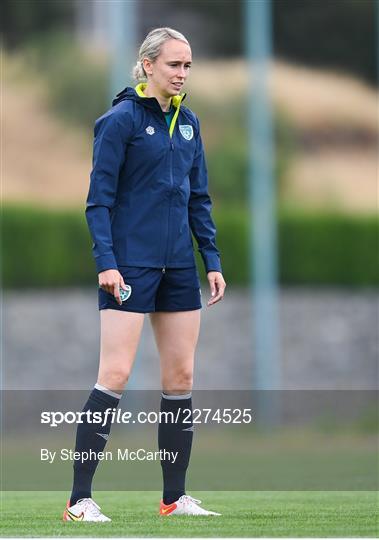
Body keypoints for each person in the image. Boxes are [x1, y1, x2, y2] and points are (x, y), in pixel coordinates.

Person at [63, 27, 226, 522]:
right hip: (129, 265)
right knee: (113, 375)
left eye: (188, 65)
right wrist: (106, 263)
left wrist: (211, 260)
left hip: (179, 265)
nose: (182, 73)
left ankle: (174, 499)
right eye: (175, 64)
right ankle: (79, 501)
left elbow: (198, 198)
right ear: (148, 65)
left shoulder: (190, 123)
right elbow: (99, 201)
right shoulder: (119, 121)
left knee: (181, 378)